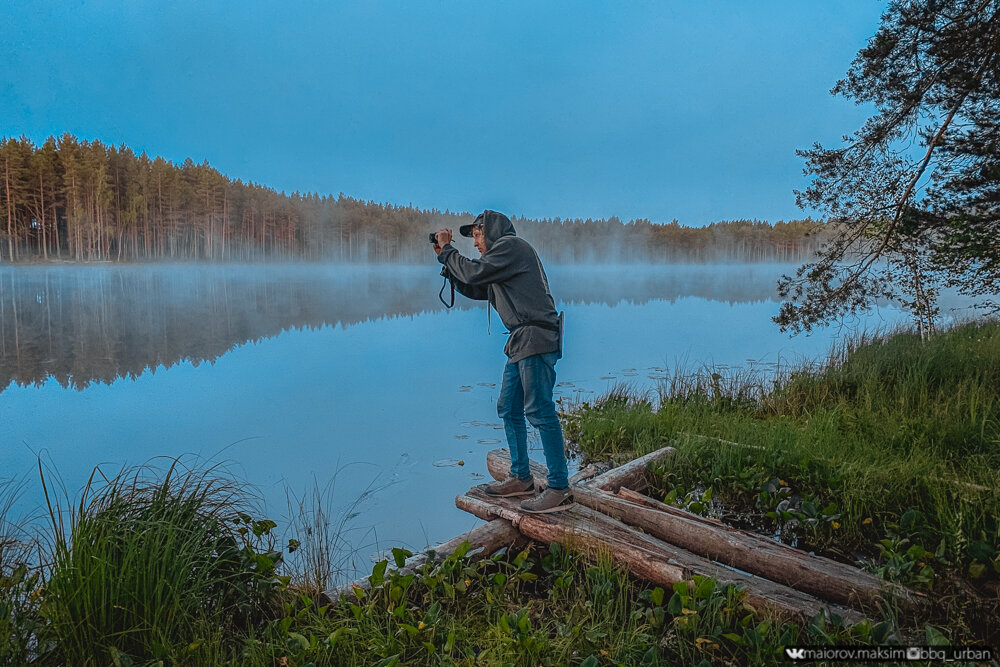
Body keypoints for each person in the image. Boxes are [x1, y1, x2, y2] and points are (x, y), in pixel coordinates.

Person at [433, 210, 573, 513]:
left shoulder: (511, 247)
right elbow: (476, 286)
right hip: (522, 341)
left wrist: (448, 251)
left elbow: (473, 273)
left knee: (539, 409)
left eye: (478, 235)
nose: (476, 243)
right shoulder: (501, 259)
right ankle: (521, 477)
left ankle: (560, 487)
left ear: (491, 230)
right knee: (509, 408)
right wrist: (447, 265)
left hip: (536, 338)